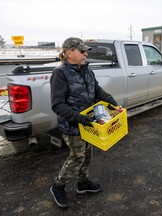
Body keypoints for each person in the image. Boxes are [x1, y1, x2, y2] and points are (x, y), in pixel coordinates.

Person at [49, 37, 118, 208]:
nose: (86, 53)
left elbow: (96, 89)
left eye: (85, 50)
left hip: (89, 123)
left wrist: (110, 100)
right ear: (69, 52)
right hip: (73, 125)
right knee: (77, 157)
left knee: (87, 154)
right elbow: (58, 105)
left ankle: (82, 183)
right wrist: (78, 118)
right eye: (82, 51)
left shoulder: (87, 70)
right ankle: (58, 186)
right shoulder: (60, 74)